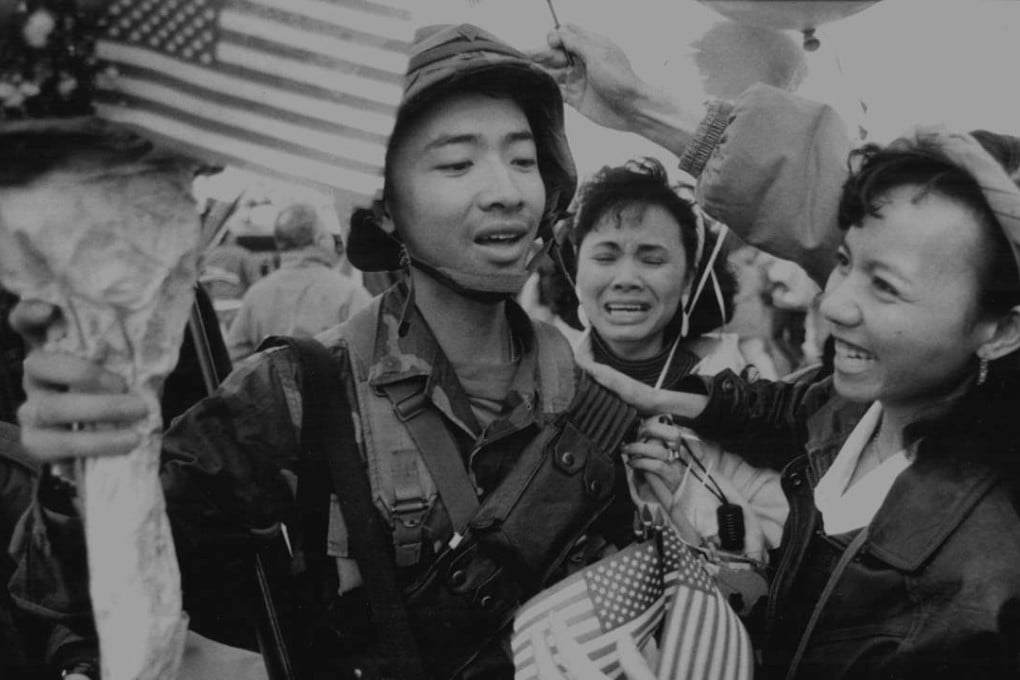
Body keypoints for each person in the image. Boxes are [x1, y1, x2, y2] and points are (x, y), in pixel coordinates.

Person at [10, 24, 638, 680]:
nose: (506, 190)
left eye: (522, 158)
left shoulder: (595, 392)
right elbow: (77, 574)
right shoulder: (300, 391)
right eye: (457, 163)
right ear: (384, 208)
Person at [532, 24, 1020, 679]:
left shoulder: (976, 582)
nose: (837, 302)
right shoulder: (855, 410)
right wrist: (641, 107)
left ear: (1001, 328)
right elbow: (789, 409)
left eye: (887, 286)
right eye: (844, 263)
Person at [567, 157, 787, 562]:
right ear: (576, 267)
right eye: (605, 257)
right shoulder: (548, 377)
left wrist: (689, 487)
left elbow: (778, 545)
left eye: (652, 259)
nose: (627, 279)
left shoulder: (738, 392)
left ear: (688, 279)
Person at [225, 202, 370, 361]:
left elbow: (235, 358)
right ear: (320, 239)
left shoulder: (255, 295)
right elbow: (373, 352)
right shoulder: (349, 293)